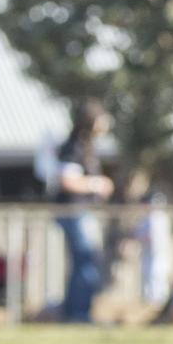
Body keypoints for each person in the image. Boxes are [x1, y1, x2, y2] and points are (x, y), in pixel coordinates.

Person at [54, 99, 113, 323]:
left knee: (84, 262)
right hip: (74, 211)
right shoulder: (74, 146)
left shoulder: (87, 146)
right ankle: (78, 313)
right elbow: (66, 180)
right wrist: (97, 184)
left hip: (82, 211)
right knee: (85, 263)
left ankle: (76, 312)